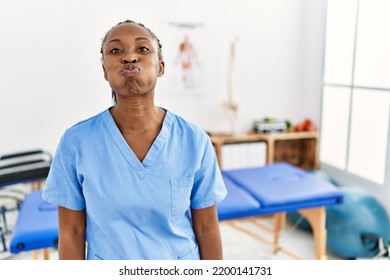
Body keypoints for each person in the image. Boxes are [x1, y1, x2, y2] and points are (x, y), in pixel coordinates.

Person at [42, 20, 227, 260]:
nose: (129, 58)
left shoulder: (194, 140)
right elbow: (72, 232)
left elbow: (207, 228)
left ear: (160, 67)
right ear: (104, 71)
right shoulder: (76, 142)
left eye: (142, 49)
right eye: (116, 51)